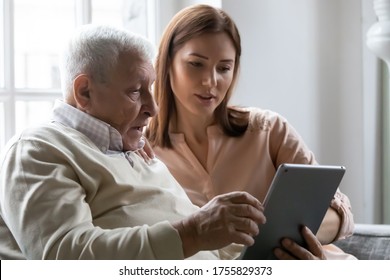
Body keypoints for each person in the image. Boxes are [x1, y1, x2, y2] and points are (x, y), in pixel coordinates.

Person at [0, 24, 267, 260]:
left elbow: (209, 248)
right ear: (84, 91)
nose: (153, 108)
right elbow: (66, 256)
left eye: (149, 89)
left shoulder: (133, 149)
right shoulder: (37, 148)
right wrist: (193, 232)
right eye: (135, 92)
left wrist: (270, 248)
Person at [145, 4, 356, 260]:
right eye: (196, 64)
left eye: (224, 68)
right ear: (166, 64)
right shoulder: (141, 149)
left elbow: (340, 212)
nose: (210, 81)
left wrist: (290, 241)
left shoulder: (269, 130)